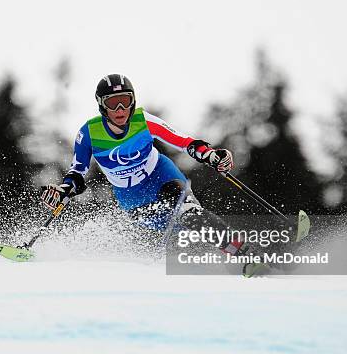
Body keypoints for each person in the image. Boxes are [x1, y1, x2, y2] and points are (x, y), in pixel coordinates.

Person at [40, 74, 242, 252]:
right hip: (131, 196)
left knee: (190, 214)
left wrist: (209, 154)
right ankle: (203, 257)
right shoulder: (89, 133)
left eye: (125, 101)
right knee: (175, 231)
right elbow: (77, 172)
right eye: (113, 103)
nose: (121, 109)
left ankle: (243, 253)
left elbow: (182, 141)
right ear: (102, 105)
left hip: (161, 174)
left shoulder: (143, 121)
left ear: (133, 101)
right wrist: (64, 189)